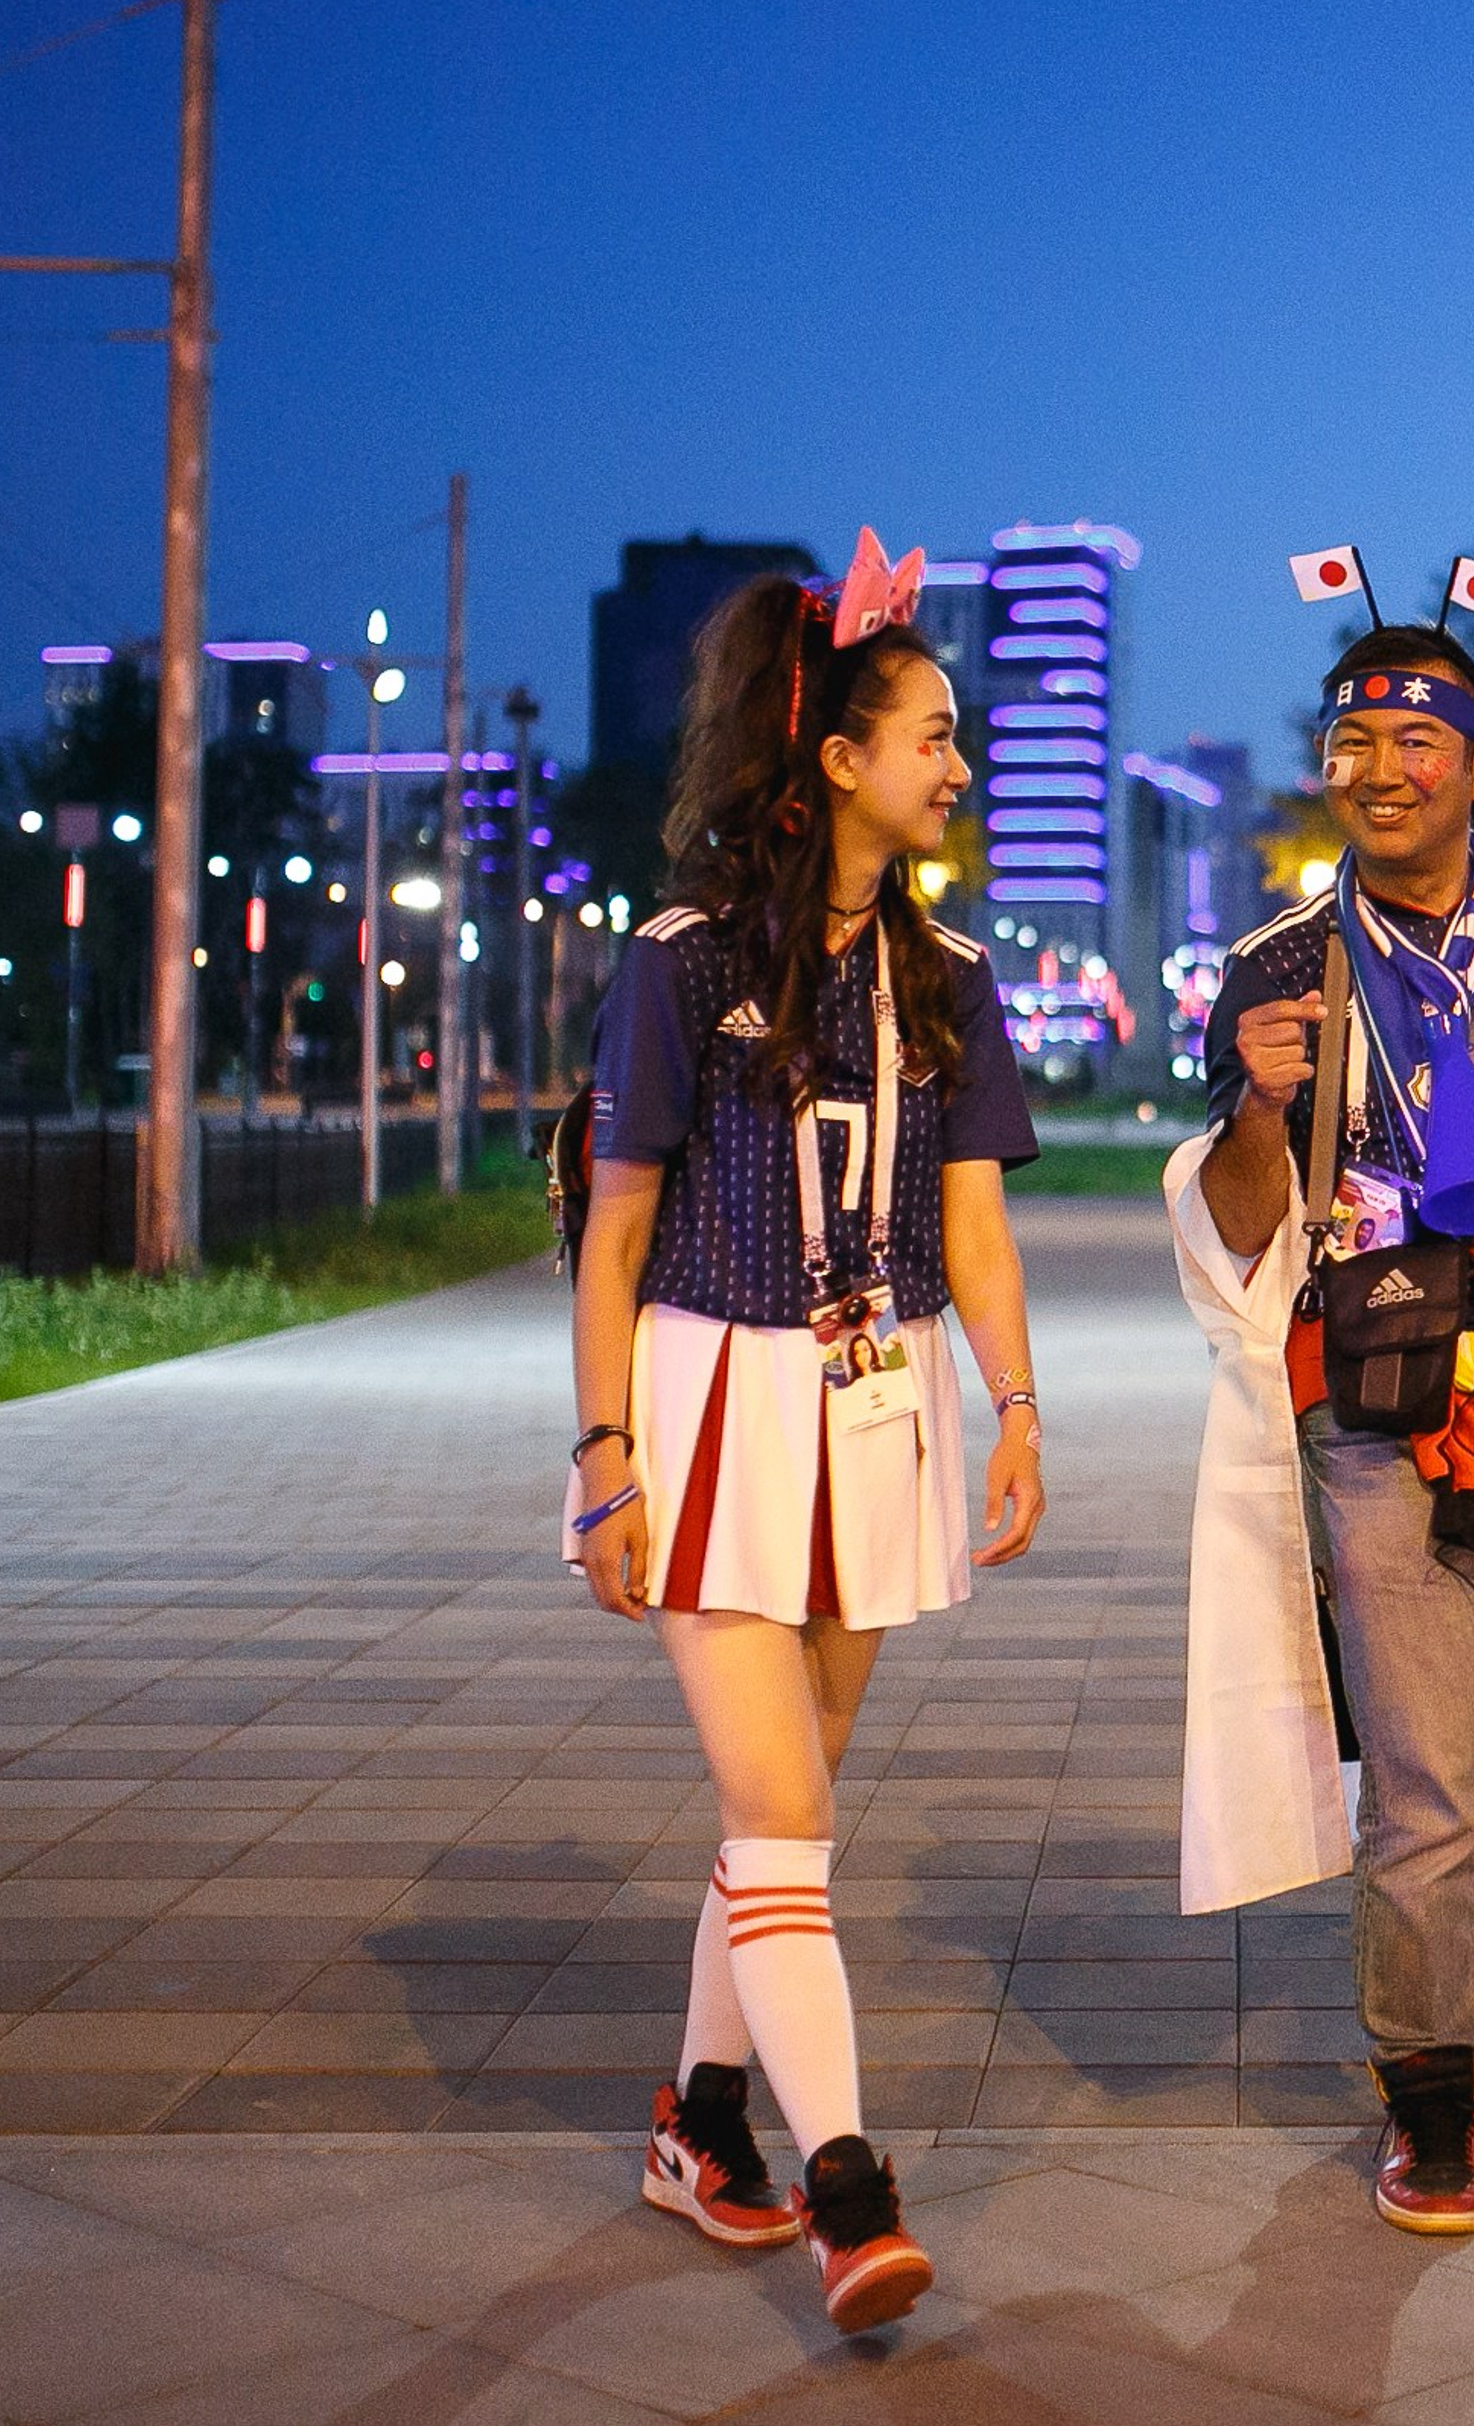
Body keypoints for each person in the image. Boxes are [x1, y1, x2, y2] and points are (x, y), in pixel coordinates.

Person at [567, 536, 1044, 2333]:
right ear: (835, 757)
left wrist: (1016, 1410)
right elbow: (614, 1233)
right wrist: (603, 1454)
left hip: (875, 1402)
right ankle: (850, 2185)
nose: (959, 762)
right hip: (707, 1399)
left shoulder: (949, 976)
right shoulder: (682, 964)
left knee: (792, 1822)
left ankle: (699, 2124)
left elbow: (979, 1229)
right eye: (932, 730)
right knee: (780, 1808)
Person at [1174, 602, 1474, 2237]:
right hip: (1376, 1409)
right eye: (1353, 742)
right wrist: (1259, 1099)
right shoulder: (1276, 968)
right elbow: (1242, 1221)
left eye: (1417, 742)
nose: (1380, 771)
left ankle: (1463, 1954)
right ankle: (1429, 2093)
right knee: (1428, 1789)